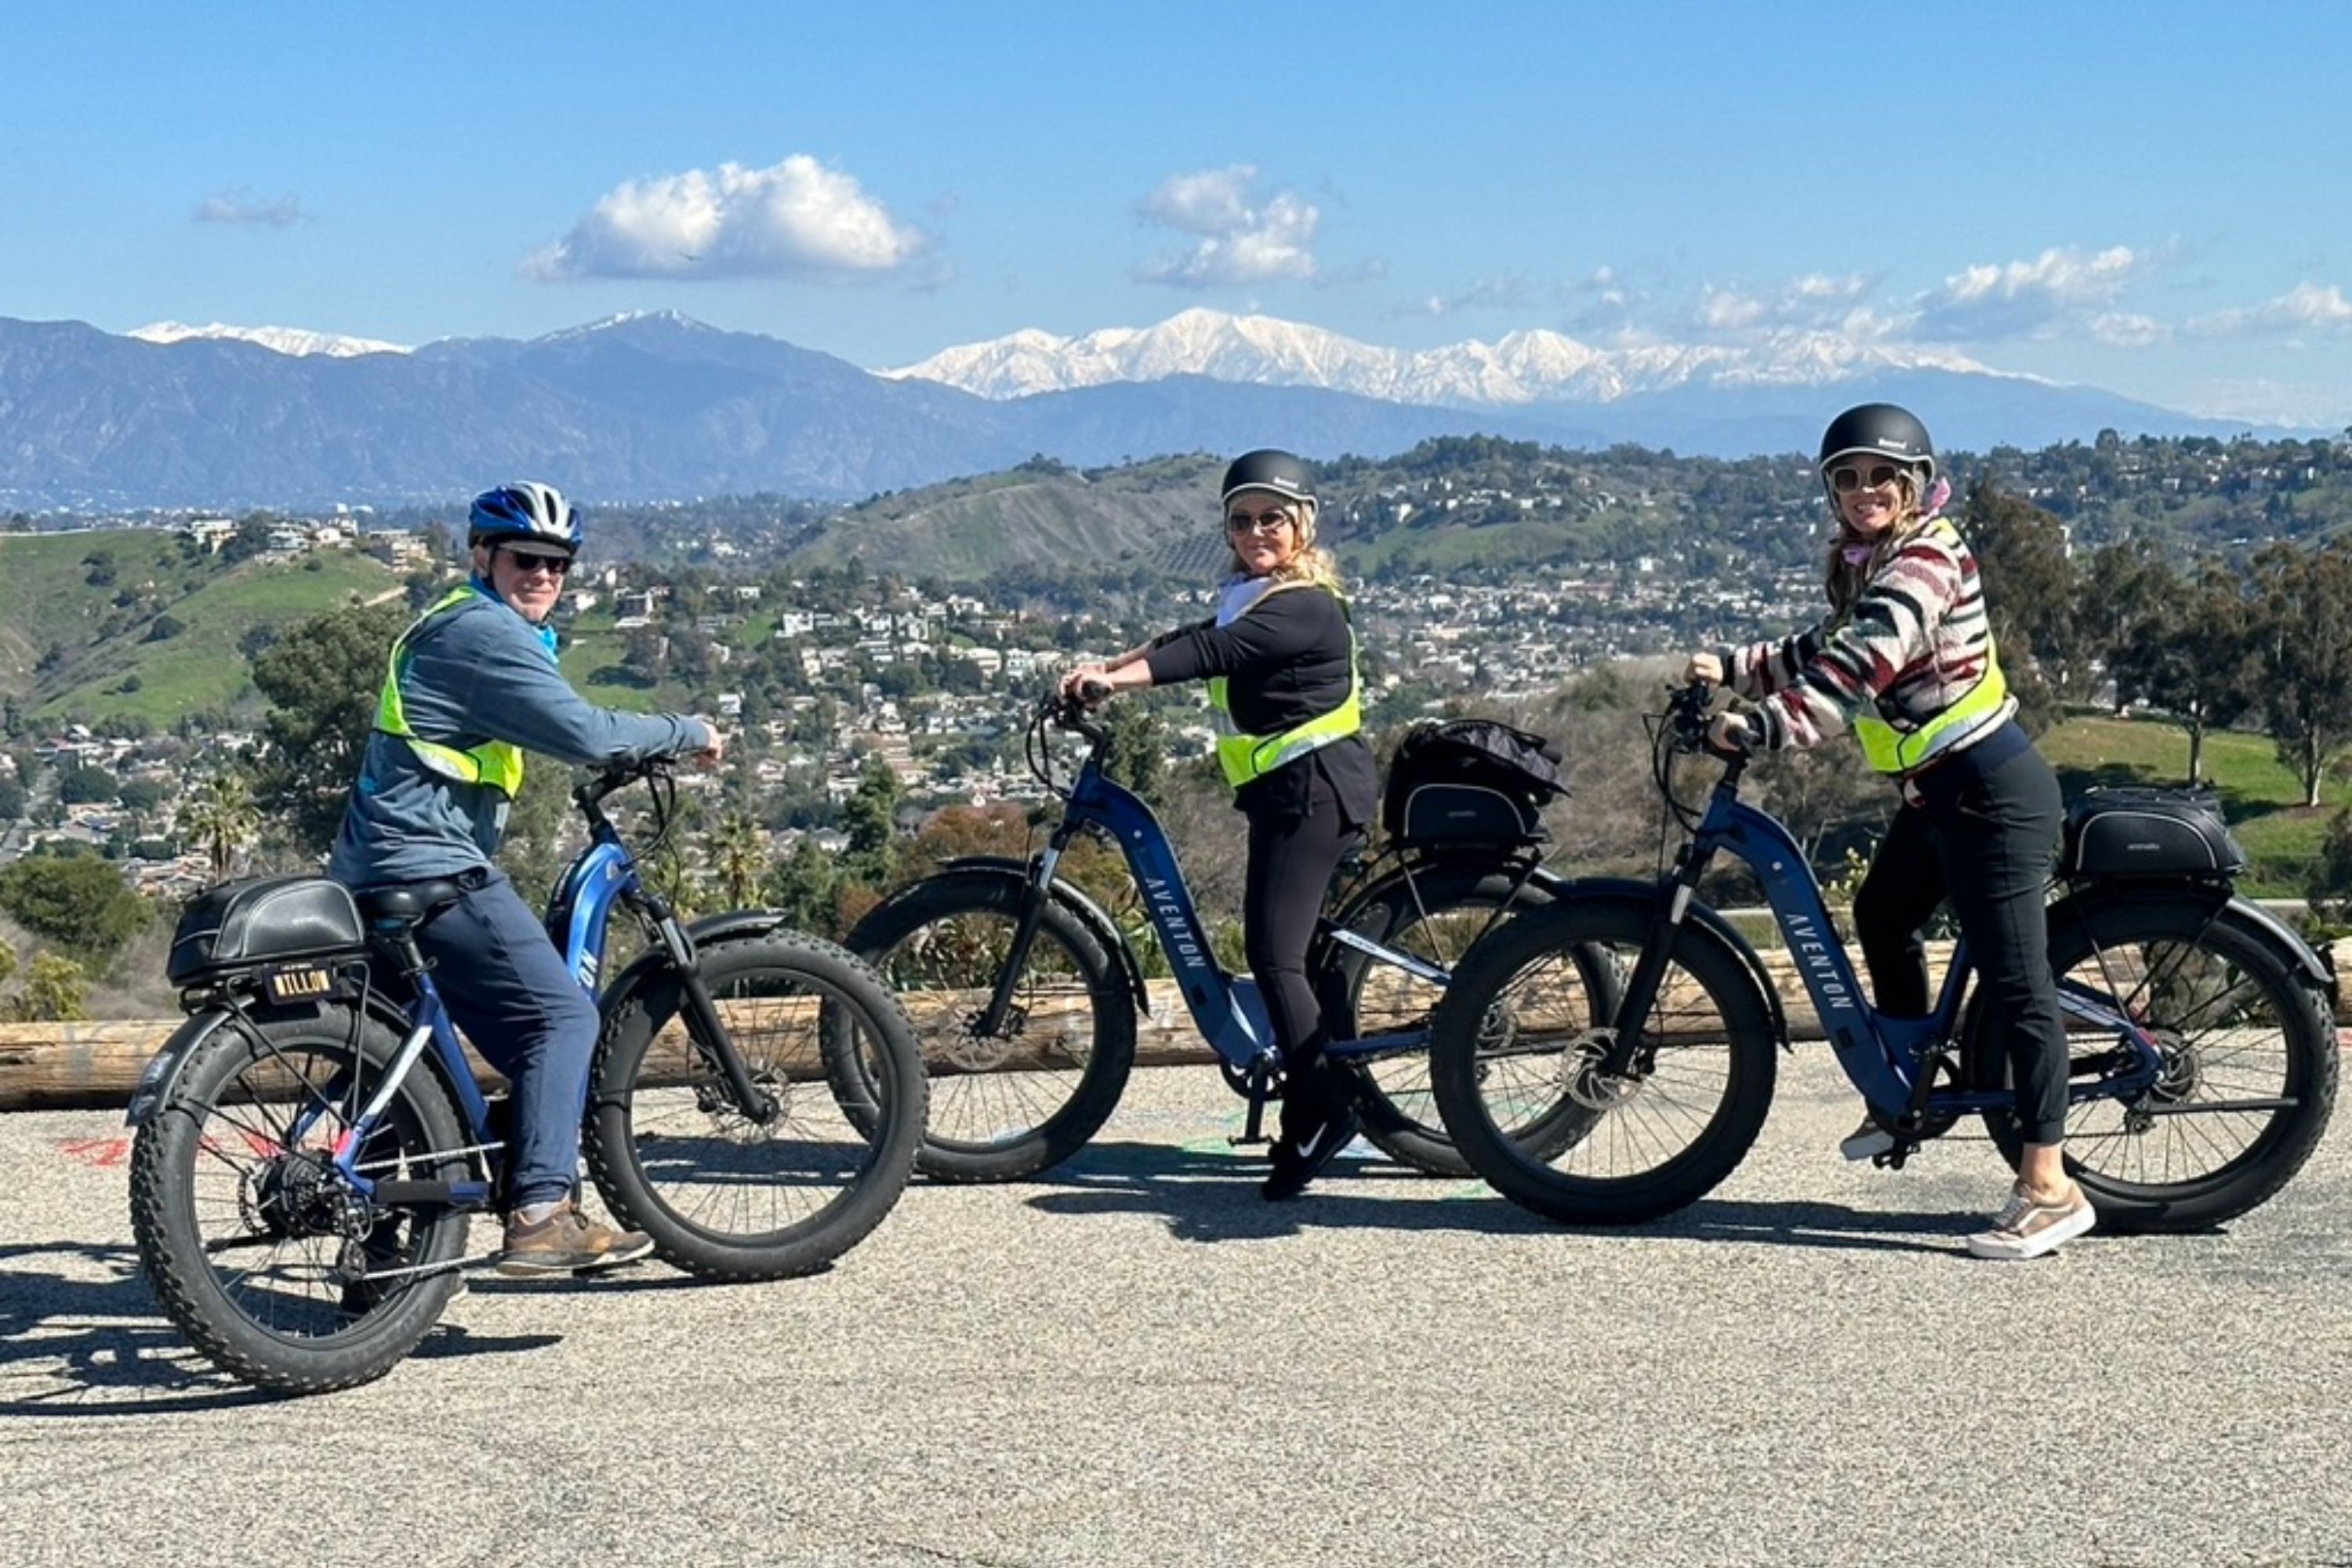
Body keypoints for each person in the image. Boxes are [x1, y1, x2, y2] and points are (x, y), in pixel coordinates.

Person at [1682, 404, 2093, 1261]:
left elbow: (1855, 667)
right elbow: (1828, 640)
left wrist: (1755, 726)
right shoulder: (1873, 559)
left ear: (1913, 483)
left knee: (2020, 985)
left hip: (1991, 791)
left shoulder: (1926, 559)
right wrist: (1737, 665)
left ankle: (2049, 1186)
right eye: (1848, 477)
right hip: (1939, 788)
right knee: (1882, 915)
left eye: (1882, 476)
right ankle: (1905, 1086)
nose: (1865, 490)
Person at [328, 481, 720, 1275]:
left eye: (557, 562)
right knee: (563, 1023)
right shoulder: (484, 635)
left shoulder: (449, 621)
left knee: (399, 1063)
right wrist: (687, 731)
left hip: (370, 869)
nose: (542, 574)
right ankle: (542, 1210)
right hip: (431, 867)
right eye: (524, 558)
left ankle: (373, 1258)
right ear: (483, 555)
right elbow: (581, 731)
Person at [1060, 449, 1378, 1200]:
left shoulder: (1304, 603)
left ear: (1304, 525)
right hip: (1288, 792)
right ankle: (1325, 1078)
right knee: (1292, 949)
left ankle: (1322, 1108)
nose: (1255, 530)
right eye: (1241, 519)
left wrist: (1117, 682)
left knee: (1275, 958)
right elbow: (1189, 634)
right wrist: (1107, 666)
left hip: (1315, 792)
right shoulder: (1253, 592)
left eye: (1272, 517)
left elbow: (1214, 653)